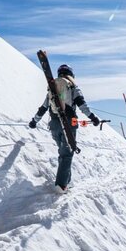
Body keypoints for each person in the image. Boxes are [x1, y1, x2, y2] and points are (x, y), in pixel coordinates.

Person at [28, 63, 100, 192]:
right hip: (68, 123)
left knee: (64, 152)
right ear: (71, 74)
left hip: (54, 124)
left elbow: (44, 107)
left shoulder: (52, 88)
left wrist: (34, 121)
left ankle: (66, 181)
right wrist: (93, 118)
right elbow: (82, 105)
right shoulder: (73, 87)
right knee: (67, 153)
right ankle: (61, 185)